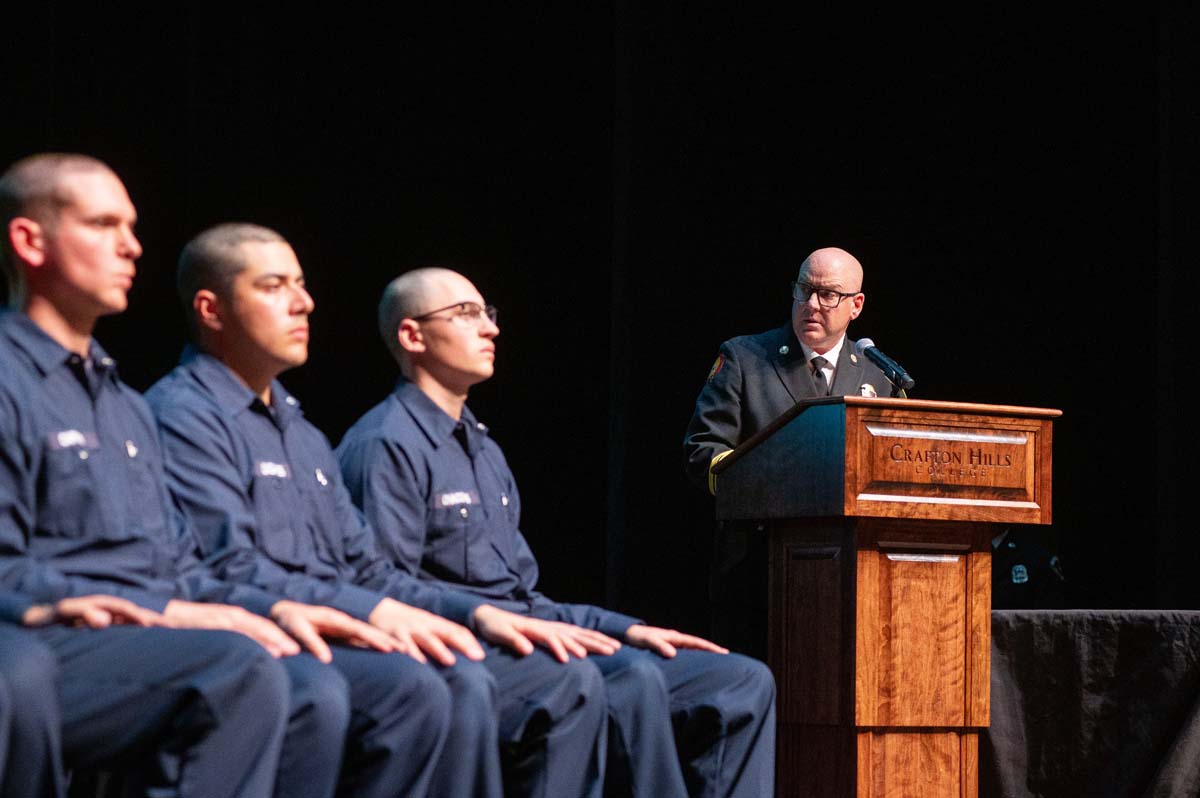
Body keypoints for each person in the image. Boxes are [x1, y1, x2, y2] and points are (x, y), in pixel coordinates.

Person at [0, 153, 447, 798]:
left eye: (131, 226)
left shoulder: (123, 403)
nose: (131, 246)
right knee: (239, 669)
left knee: (397, 680)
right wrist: (176, 612)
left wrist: (275, 609)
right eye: (103, 224)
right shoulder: (28, 382)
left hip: (143, 628)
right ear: (29, 241)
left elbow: (185, 568)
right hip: (53, 635)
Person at [145, 224, 613, 798]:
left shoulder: (303, 432)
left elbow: (369, 572)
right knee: (425, 687)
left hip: (330, 628)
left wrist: (473, 614)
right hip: (259, 633)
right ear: (211, 309)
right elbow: (228, 568)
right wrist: (376, 612)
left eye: (302, 283)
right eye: (274, 285)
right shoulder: (183, 415)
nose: (304, 301)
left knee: (520, 678)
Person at [337, 267, 777, 798]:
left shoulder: (483, 449)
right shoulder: (384, 443)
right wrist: (488, 619)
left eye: (488, 313)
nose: (490, 328)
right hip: (466, 648)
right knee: (624, 681)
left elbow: (527, 600)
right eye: (466, 314)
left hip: (525, 634)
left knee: (742, 680)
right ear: (413, 336)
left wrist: (623, 628)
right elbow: (380, 589)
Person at [682, 246, 901, 653]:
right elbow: (703, 452)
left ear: (856, 305)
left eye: (829, 295)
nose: (812, 305)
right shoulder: (745, 358)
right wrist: (770, 484)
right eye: (805, 290)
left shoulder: (879, 376)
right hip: (758, 574)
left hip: (853, 579)